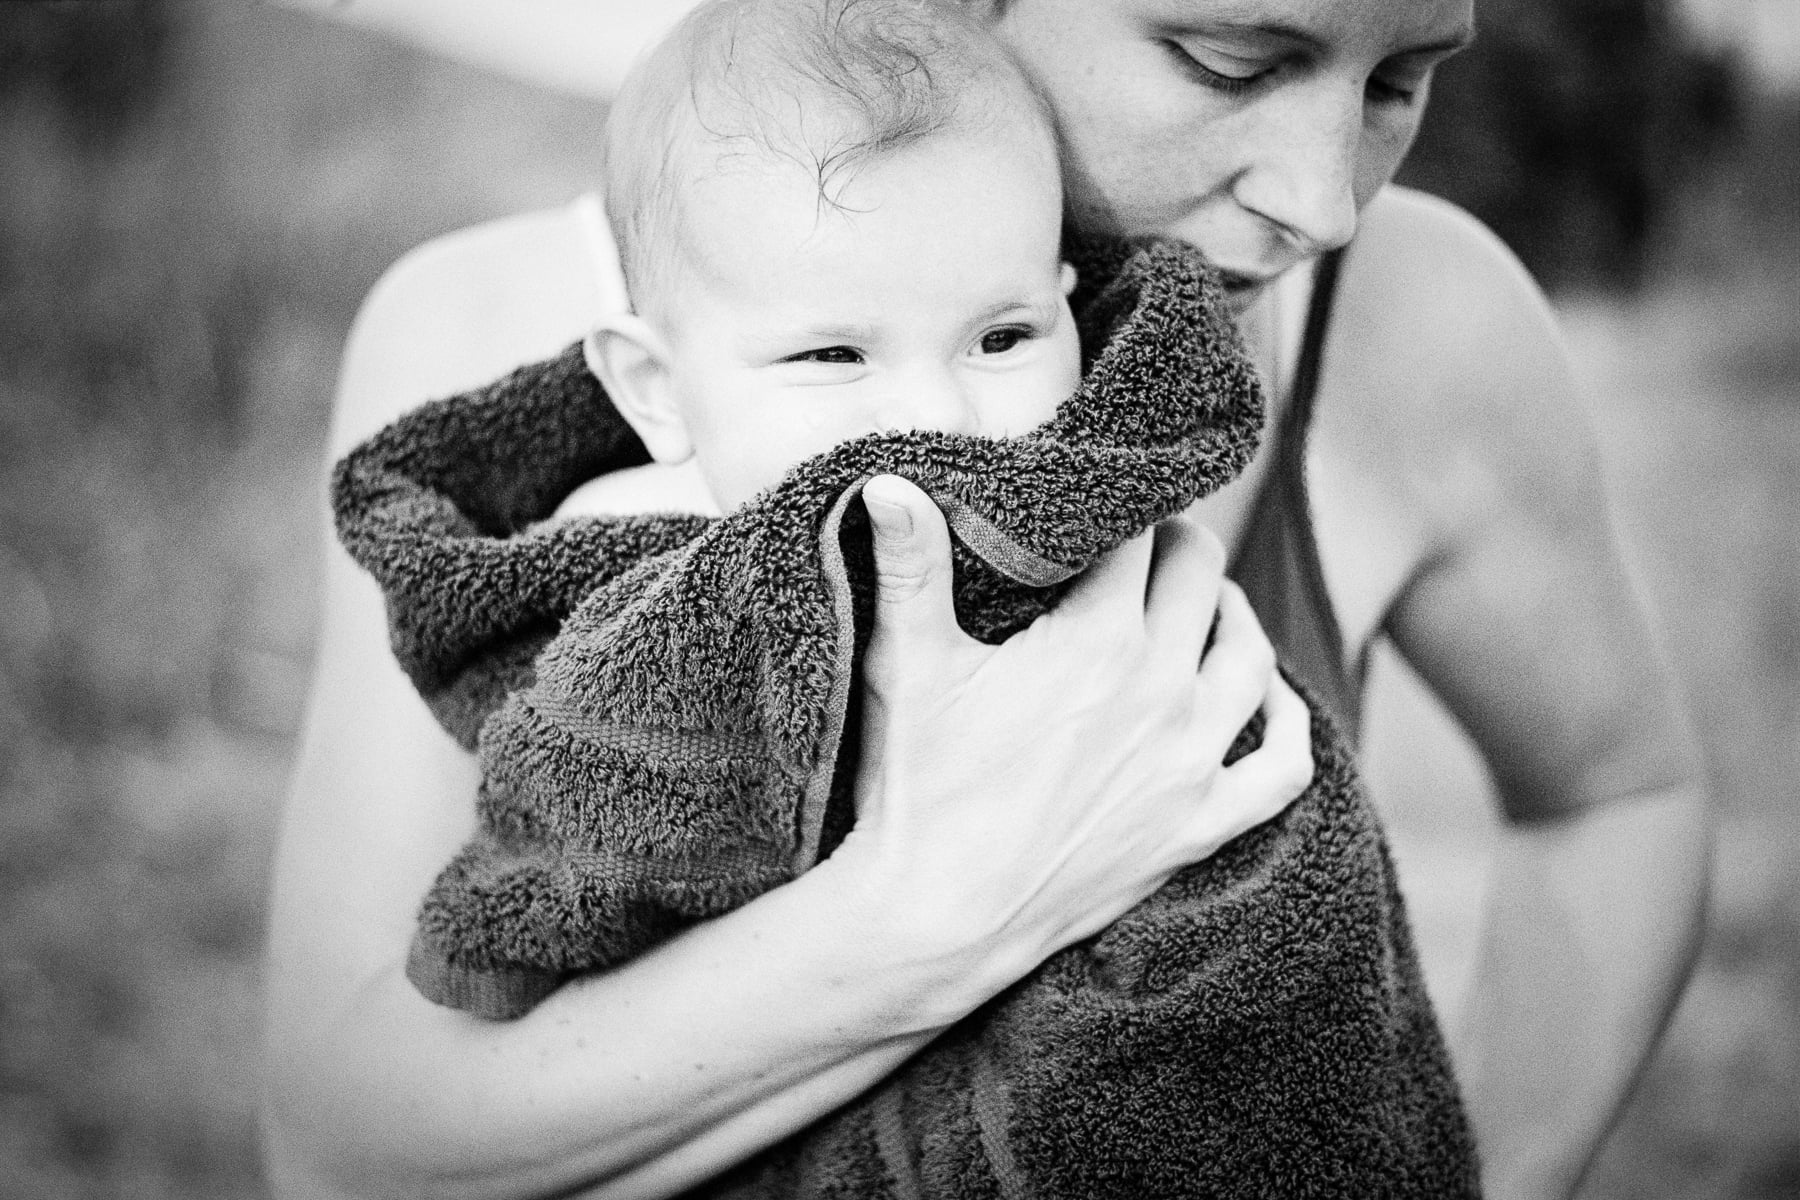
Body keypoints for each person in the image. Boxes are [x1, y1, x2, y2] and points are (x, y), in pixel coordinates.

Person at [262, 0, 1711, 1197]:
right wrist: (928, 921)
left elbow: (1616, 798)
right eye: (1230, 60)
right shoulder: (470, 333)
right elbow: (344, 1147)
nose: (1323, 200)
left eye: (1401, 80)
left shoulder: (1422, 323)